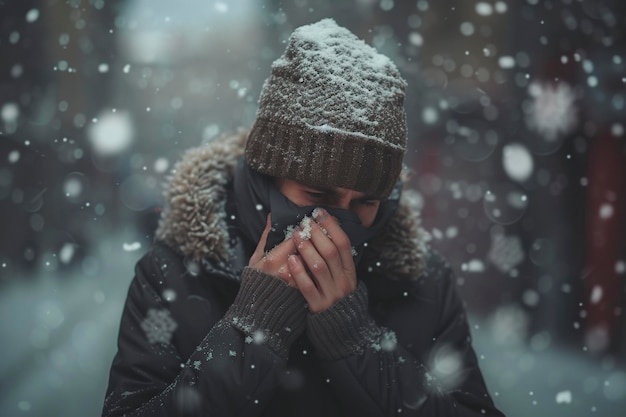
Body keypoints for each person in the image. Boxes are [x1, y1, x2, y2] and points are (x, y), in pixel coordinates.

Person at [102, 18, 505, 417]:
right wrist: (252, 327)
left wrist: (356, 341)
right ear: (262, 181)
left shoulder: (423, 284)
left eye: (365, 201)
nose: (338, 225)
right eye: (317, 195)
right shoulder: (175, 274)